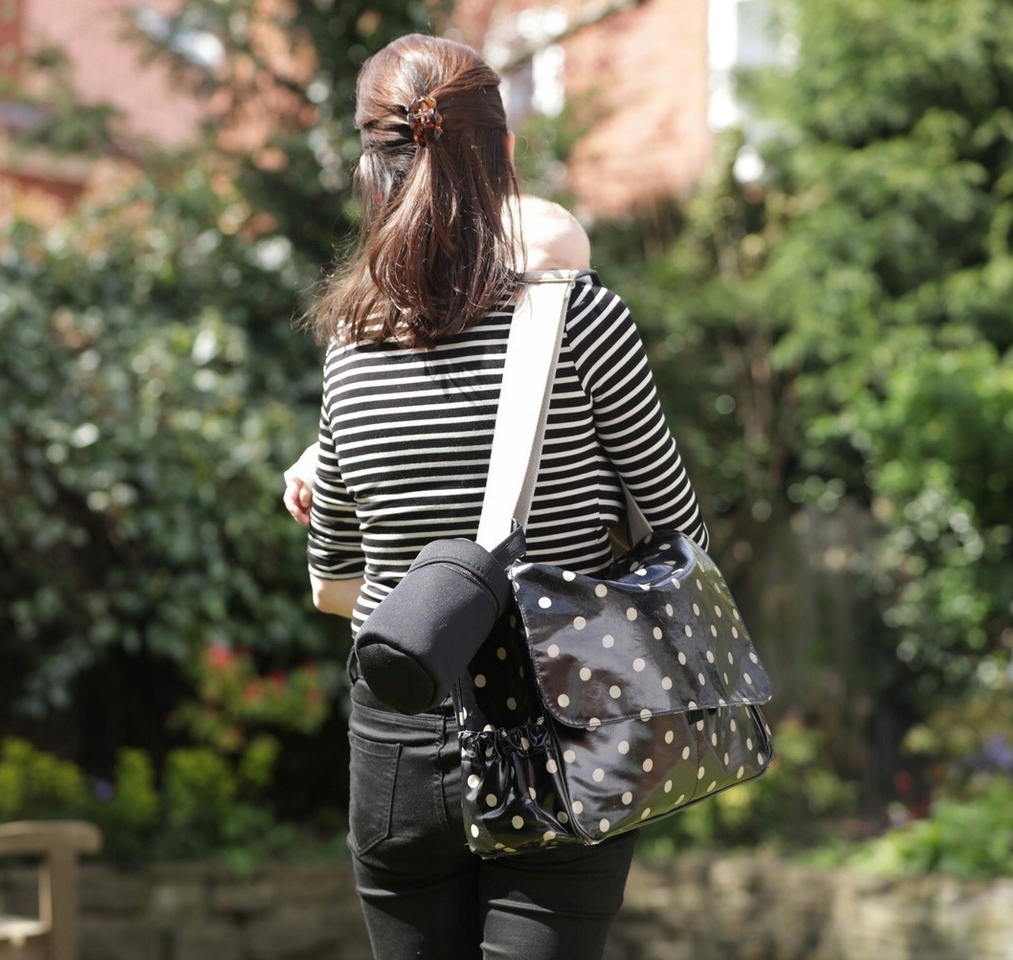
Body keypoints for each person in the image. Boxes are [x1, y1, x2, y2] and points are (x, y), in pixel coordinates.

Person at [298, 34, 709, 960]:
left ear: (369, 166)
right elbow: (682, 538)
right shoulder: (581, 317)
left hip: (400, 735)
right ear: (503, 153)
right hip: (561, 718)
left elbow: (333, 586)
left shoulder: (350, 347)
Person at [282, 192, 591, 526]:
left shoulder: (576, 360)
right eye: (552, 276)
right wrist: (317, 463)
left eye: (584, 280)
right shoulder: (466, 358)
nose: (572, 296)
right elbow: (407, 424)